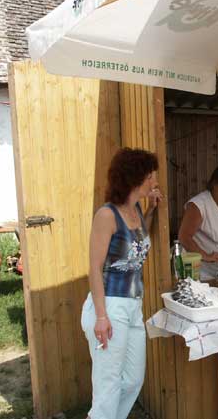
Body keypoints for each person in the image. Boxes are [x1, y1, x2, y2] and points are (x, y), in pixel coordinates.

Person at [81, 148, 162, 419]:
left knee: (132, 380)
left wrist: (151, 210)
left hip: (133, 305)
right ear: (135, 178)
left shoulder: (136, 210)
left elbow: (137, 242)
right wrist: (101, 316)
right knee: (108, 385)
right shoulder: (107, 215)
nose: (154, 181)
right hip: (109, 306)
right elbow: (94, 268)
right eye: (151, 176)